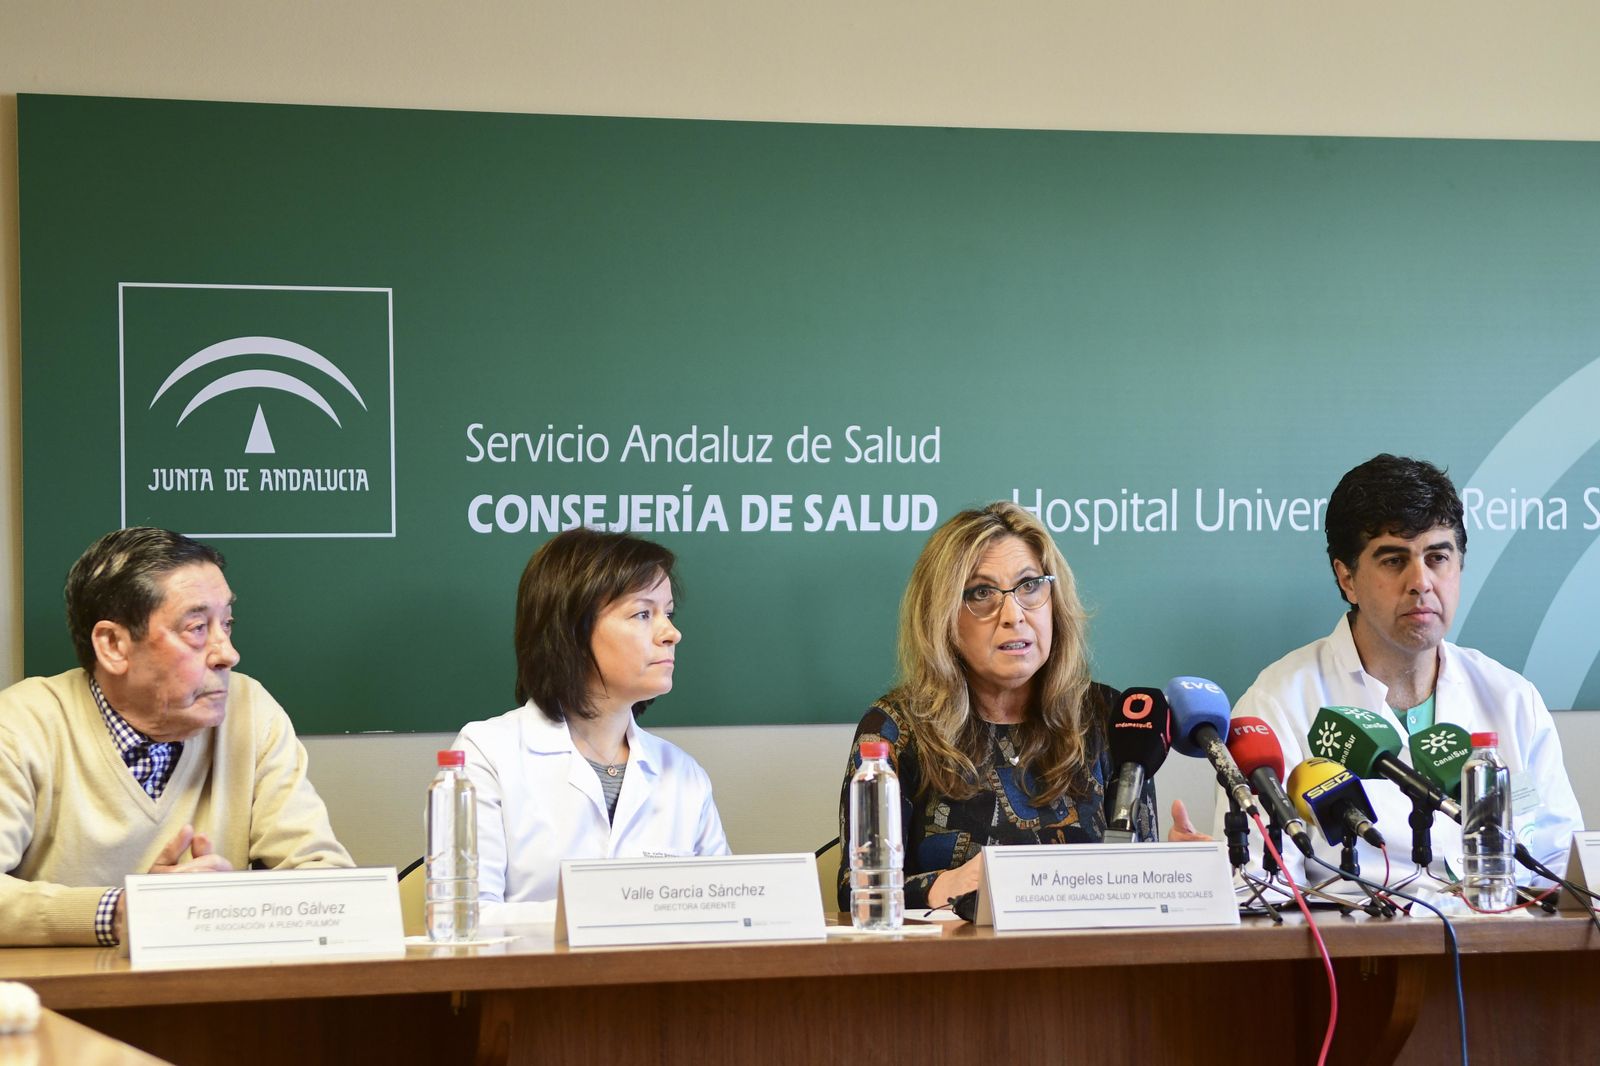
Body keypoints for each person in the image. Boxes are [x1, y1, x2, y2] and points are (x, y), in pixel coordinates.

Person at [1229, 454, 1583, 888]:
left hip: (1496, 945)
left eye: (1437, 557)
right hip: (1350, 948)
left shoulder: (1512, 698)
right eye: (1394, 560)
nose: (1421, 581)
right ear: (1347, 579)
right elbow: (1260, 886)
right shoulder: (1277, 704)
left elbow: (1562, 864)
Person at [836, 502, 1206, 912]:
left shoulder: (1109, 715)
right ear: (941, 617)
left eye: (1030, 586)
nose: (1013, 615)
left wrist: (1176, 873)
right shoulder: (896, 728)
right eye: (982, 593)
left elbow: (1133, 880)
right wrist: (947, 885)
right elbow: (857, 888)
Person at [0, 527, 352, 947]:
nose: (228, 653)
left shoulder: (250, 710)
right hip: (55, 1004)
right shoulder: (21, 724)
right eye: (197, 627)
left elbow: (325, 876)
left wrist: (232, 903)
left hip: (211, 1001)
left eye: (227, 624)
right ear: (113, 644)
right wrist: (118, 913)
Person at [452, 528, 728, 925]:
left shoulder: (683, 773)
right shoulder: (486, 754)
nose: (671, 633)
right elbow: (464, 917)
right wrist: (619, 913)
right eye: (643, 613)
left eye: (668, 613)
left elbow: (724, 917)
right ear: (572, 631)